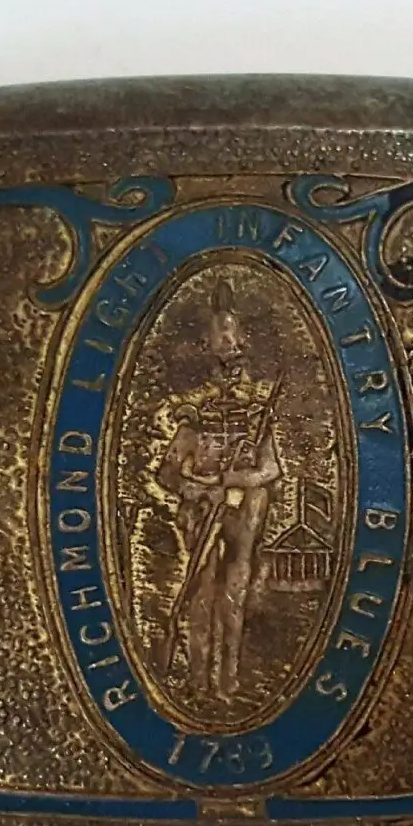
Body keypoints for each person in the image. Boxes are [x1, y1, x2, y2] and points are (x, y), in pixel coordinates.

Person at [155, 279, 282, 702]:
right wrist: (195, 488)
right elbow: (168, 473)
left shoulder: (258, 413)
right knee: (201, 595)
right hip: (202, 511)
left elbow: (270, 469)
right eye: (219, 335)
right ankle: (198, 683)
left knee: (234, 596)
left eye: (233, 334)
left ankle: (229, 684)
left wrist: (231, 481)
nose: (227, 343)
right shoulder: (194, 412)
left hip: (244, 510)